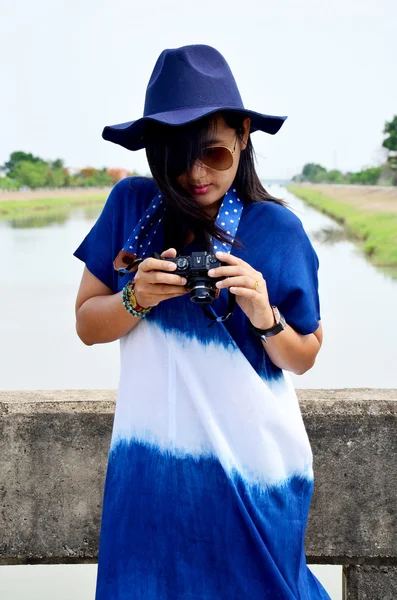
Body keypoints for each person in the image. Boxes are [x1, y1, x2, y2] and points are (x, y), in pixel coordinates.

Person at [74, 44, 329, 600]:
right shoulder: (131, 206)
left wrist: (264, 314)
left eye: (212, 154)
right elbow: (88, 324)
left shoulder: (277, 230)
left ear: (243, 136)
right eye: (174, 157)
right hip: (148, 473)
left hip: (253, 476)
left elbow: (305, 355)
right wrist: (135, 299)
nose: (193, 176)